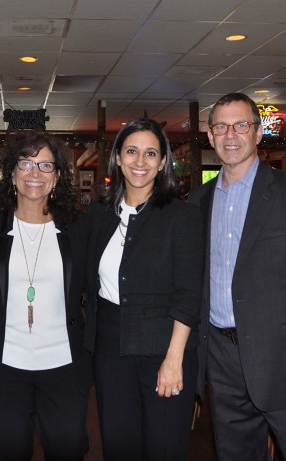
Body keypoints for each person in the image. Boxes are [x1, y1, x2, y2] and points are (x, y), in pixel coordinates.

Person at [188, 92, 286, 460]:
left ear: (258, 133)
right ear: (210, 137)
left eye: (242, 125)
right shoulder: (197, 202)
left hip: (284, 361)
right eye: (221, 126)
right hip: (221, 358)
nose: (231, 135)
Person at [83, 118, 204, 460]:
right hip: (110, 350)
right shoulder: (99, 214)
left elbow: (189, 293)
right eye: (132, 151)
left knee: (163, 448)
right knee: (119, 445)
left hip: (164, 349)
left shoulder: (181, 216)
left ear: (163, 161)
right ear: (118, 158)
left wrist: (174, 359)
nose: (140, 162)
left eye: (151, 153)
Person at [0, 132, 92, 460]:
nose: (34, 173)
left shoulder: (79, 228)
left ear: (58, 176)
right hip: (4, 366)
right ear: (11, 173)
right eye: (26, 163)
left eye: (45, 165)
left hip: (64, 366)